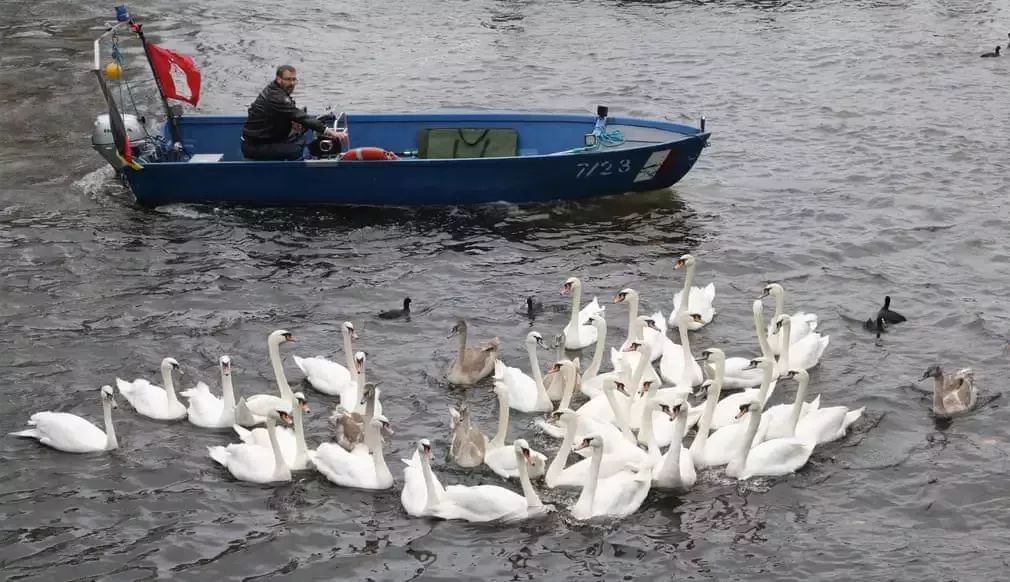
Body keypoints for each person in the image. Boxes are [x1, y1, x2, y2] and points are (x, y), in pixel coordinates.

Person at [240, 65, 345, 161]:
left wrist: (290, 121)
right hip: (256, 146)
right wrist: (330, 132)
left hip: (263, 139)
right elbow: (302, 117)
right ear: (279, 79)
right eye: (288, 80)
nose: (292, 83)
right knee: (302, 149)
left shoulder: (273, 89)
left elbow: (282, 112)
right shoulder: (277, 97)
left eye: (294, 79)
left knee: (301, 137)